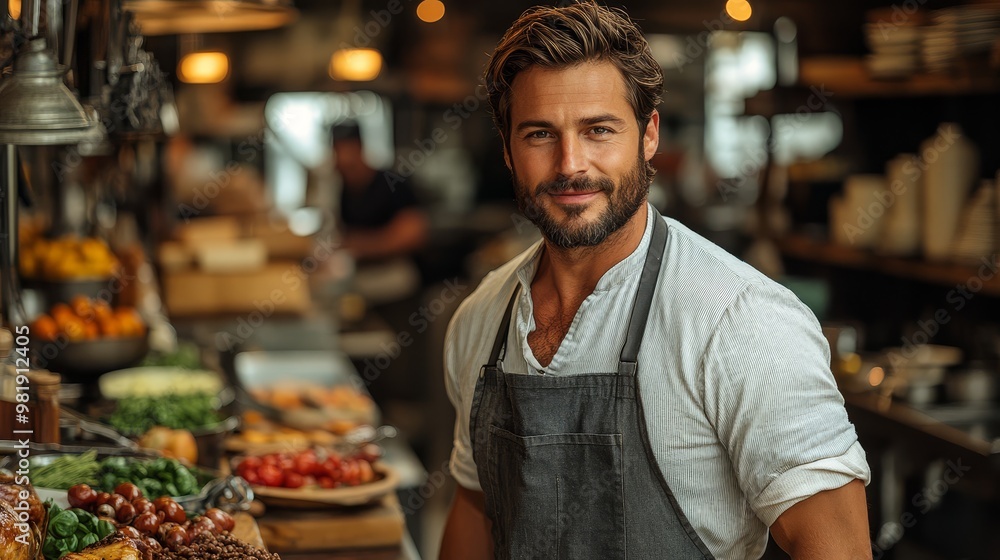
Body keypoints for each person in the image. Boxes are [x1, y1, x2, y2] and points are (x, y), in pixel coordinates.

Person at [439, 3, 872, 559]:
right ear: (507, 149)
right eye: (540, 133)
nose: (571, 164)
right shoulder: (482, 317)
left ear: (648, 135)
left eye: (599, 130)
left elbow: (838, 551)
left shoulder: (742, 320)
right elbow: (475, 508)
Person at [331, 123, 428, 262]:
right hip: (360, 269)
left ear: (359, 148)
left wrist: (363, 245)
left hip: (396, 267)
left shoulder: (391, 183)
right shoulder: (344, 190)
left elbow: (415, 233)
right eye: (336, 150)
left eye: (344, 149)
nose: (341, 159)